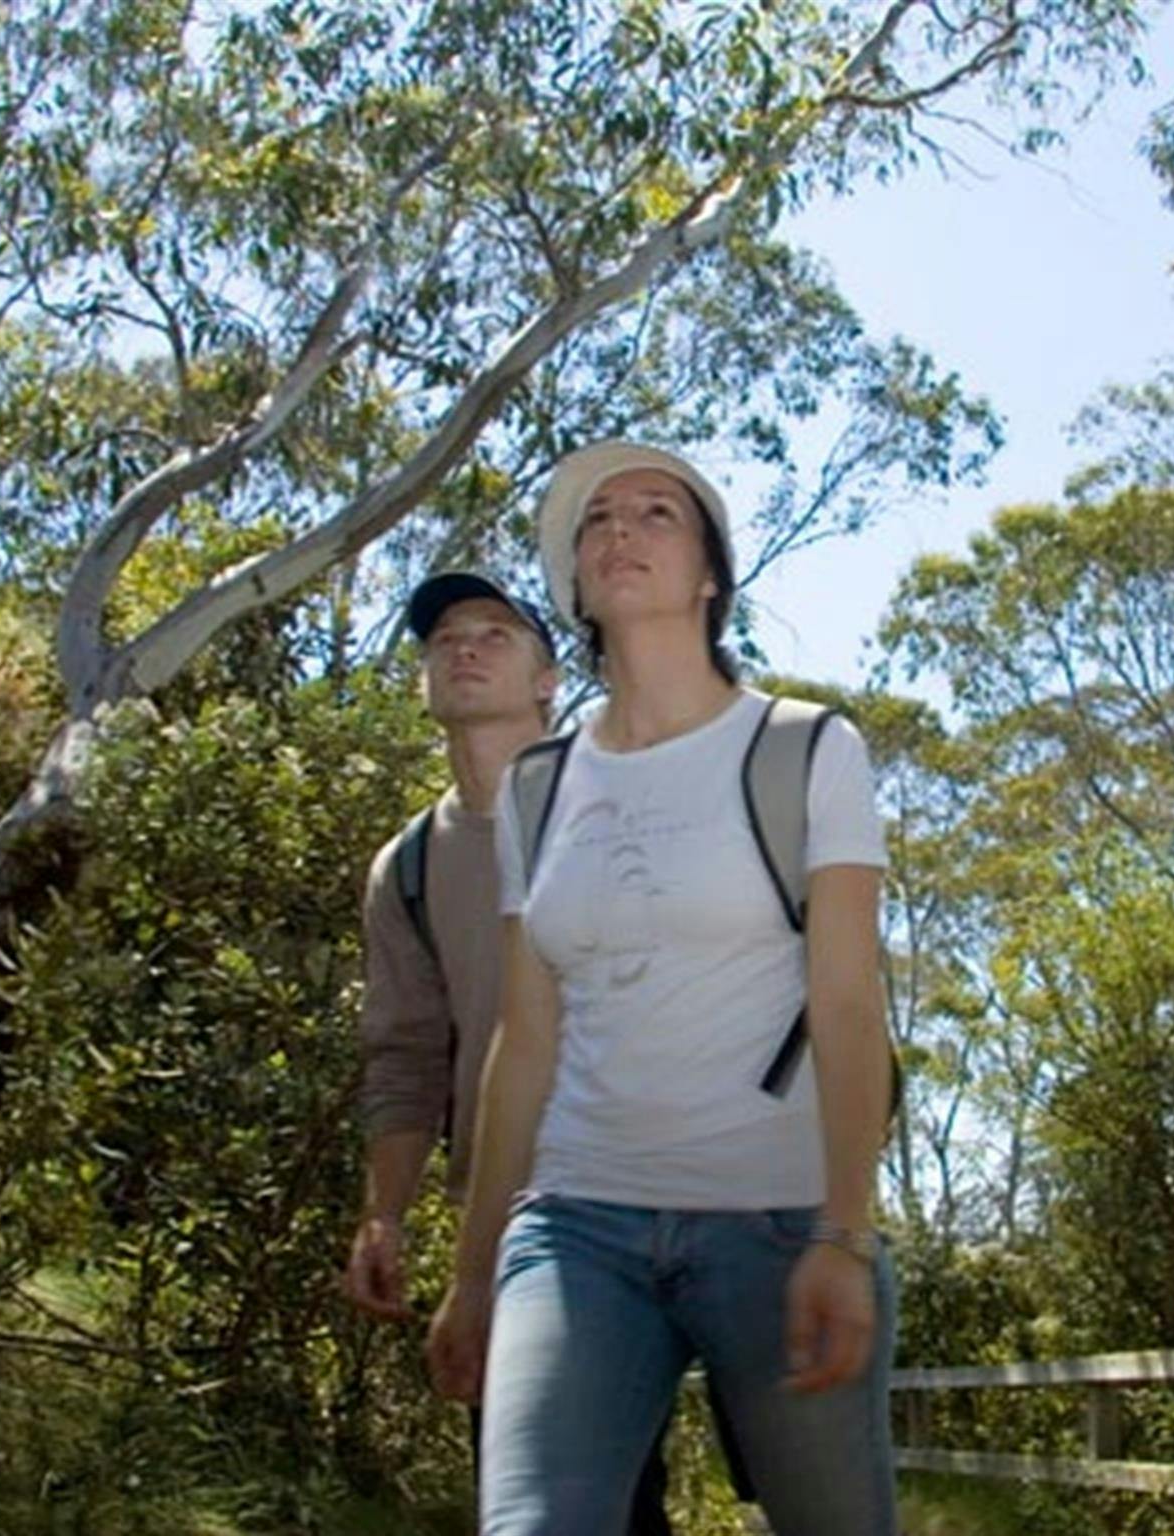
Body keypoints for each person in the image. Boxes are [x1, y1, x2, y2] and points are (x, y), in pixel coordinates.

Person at [426, 442, 899, 1535]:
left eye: (655, 514)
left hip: (779, 1227)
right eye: (596, 521)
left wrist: (843, 1231)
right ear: (577, 584)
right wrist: (473, 1267)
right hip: (577, 1226)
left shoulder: (805, 748)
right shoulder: (536, 789)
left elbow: (843, 1006)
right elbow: (525, 1040)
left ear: (707, 577)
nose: (620, 531)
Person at [340, 570, 679, 1535]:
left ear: (547, 682)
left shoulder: (632, 805)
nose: (465, 646)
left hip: (676, 1195)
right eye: (445, 636)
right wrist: (388, 1218)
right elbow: (405, 1054)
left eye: (496, 632)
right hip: (514, 1229)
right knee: (539, 1493)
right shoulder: (405, 867)